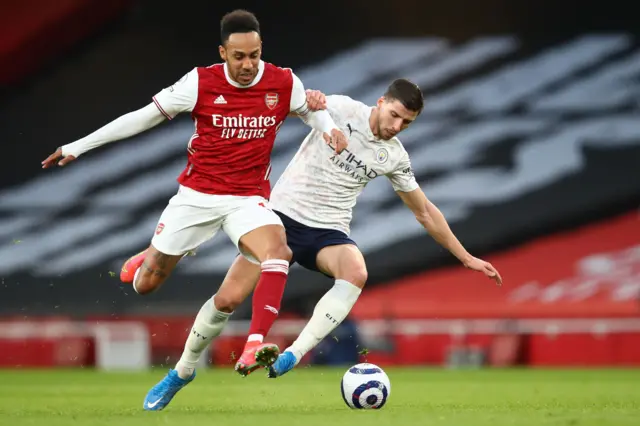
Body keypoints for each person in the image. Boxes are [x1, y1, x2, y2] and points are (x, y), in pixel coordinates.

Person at [142, 78, 503, 411]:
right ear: (381, 102)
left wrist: (466, 256)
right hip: (280, 217)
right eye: (394, 115)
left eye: (406, 123)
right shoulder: (343, 108)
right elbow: (297, 102)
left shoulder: (394, 156)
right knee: (227, 300)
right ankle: (183, 371)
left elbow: (424, 211)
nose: (396, 127)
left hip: (327, 230)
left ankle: (291, 356)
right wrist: (309, 99)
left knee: (356, 271)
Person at [41, 9, 348, 385]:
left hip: (246, 199)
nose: (248, 64)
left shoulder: (283, 82)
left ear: (260, 49)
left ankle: (254, 343)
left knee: (278, 252)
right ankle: (150, 254)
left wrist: (329, 128)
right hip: (196, 196)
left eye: (253, 55)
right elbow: (141, 117)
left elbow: (309, 110)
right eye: (239, 57)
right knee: (147, 285)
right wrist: (78, 146)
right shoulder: (200, 83)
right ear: (223, 53)